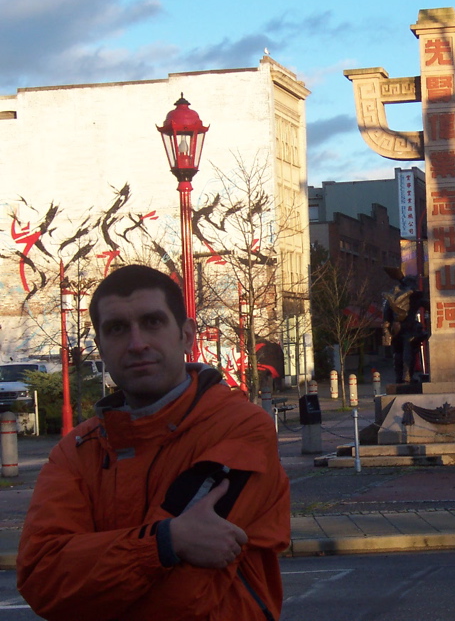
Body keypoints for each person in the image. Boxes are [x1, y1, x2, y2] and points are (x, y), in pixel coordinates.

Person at [16, 265, 291, 621]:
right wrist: (167, 542)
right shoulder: (77, 451)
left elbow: (180, 600)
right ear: (99, 345)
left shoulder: (239, 429)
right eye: (117, 329)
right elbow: (42, 578)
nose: (136, 343)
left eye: (152, 322)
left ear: (187, 334)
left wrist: (93, 568)